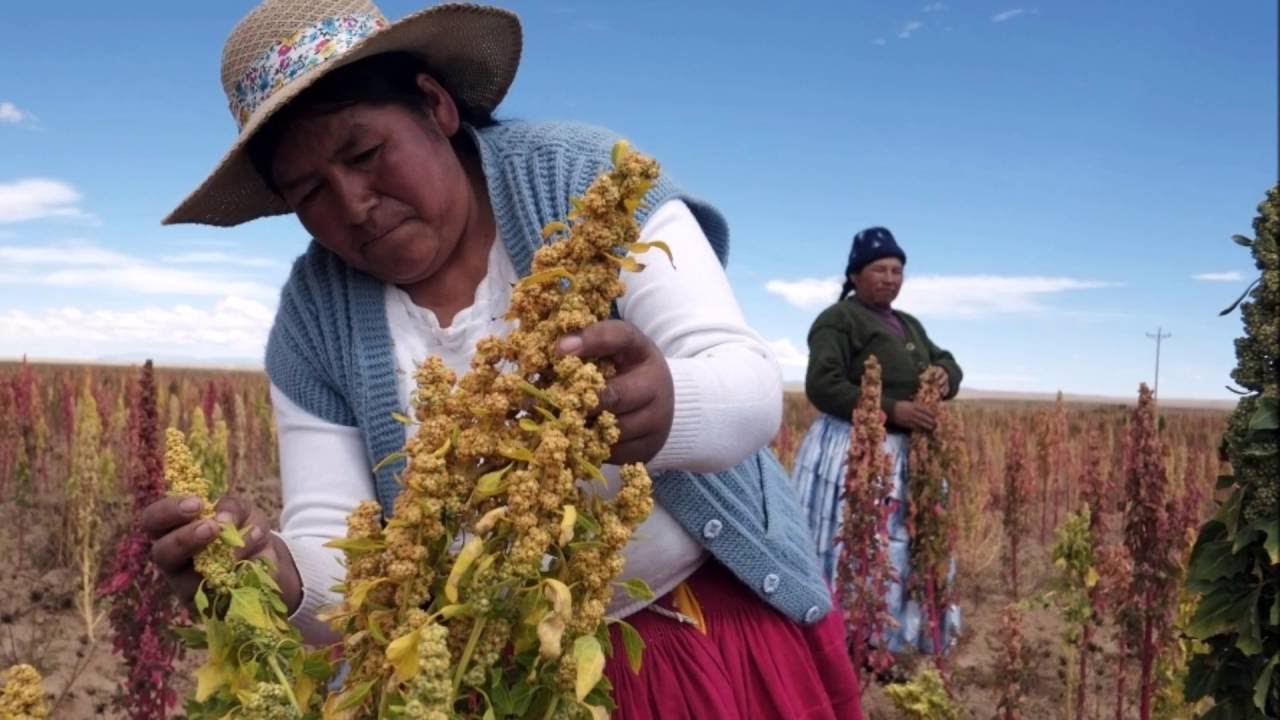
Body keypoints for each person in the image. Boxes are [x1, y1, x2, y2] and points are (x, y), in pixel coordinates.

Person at [140, 1, 857, 717]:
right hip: (492, 671)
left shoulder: (582, 180)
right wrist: (275, 574)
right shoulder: (313, 317)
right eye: (310, 192)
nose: (353, 204)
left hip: (693, 634)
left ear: (435, 105)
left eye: (364, 155)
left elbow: (747, 386)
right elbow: (344, 555)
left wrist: (667, 404)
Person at [791, 226, 964, 657]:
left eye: (897, 270)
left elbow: (945, 359)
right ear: (854, 275)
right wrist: (890, 410)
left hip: (908, 455)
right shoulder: (838, 320)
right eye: (879, 270)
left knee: (902, 545)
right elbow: (823, 385)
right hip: (856, 448)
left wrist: (945, 374)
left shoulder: (909, 324)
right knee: (859, 543)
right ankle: (845, 638)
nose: (890, 278)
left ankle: (890, 638)